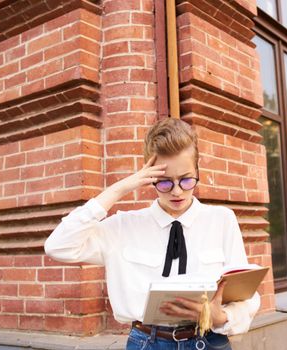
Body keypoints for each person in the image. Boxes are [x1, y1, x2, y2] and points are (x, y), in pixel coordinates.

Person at [44, 118, 260, 350]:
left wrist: (222, 318)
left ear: (197, 170)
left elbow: (245, 293)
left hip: (208, 340)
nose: (177, 191)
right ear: (149, 178)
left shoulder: (221, 220)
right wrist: (119, 188)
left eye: (186, 179)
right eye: (165, 182)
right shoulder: (123, 227)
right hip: (147, 342)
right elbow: (58, 246)